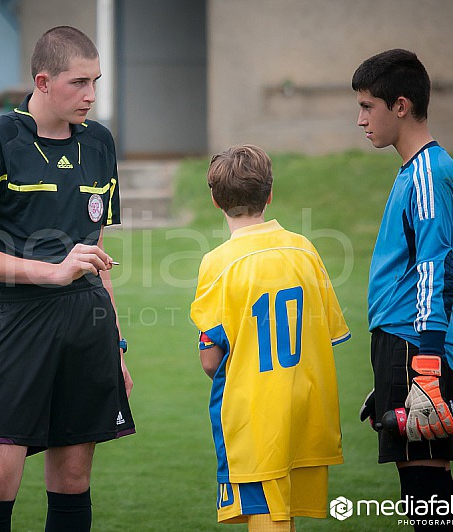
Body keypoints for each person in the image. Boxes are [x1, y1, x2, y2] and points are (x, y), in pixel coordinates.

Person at [0, 25, 135, 532]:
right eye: (79, 83)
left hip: (87, 325)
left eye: (95, 81)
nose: (91, 95)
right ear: (43, 81)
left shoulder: (99, 142)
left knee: (74, 477)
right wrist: (49, 273)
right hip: (17, 324)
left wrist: (117, 345)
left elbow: (97, 253)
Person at [190, 145, 350, 531]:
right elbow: (325, 334)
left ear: (215, 200)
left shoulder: (217, 262)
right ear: (270, 194)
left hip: (256, 418)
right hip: (307, 412)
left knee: (269, 520)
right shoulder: (305, 249)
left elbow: (211, 359)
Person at [353, 49, 453, 531]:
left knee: (428, 494)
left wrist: (421, 369)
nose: (360, 119)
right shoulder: (417, 170)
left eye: (367, 106)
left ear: (400, 105)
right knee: (424, 494)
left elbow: (434, 273)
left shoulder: (426, 173)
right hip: (402, 345)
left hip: (414, 344)